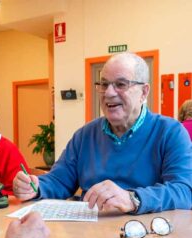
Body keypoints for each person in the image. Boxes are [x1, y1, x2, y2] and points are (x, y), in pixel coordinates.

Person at [13, 52, 192, 215]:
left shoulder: (171, 132)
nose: (109, 93)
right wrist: (36, 187)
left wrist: (133, 199)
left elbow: (184, 190)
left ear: (144, 92)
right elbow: (59, 181)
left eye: (121, 84)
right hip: (91, 234)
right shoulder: (84, 135)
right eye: (104, 84)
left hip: (147, 236)